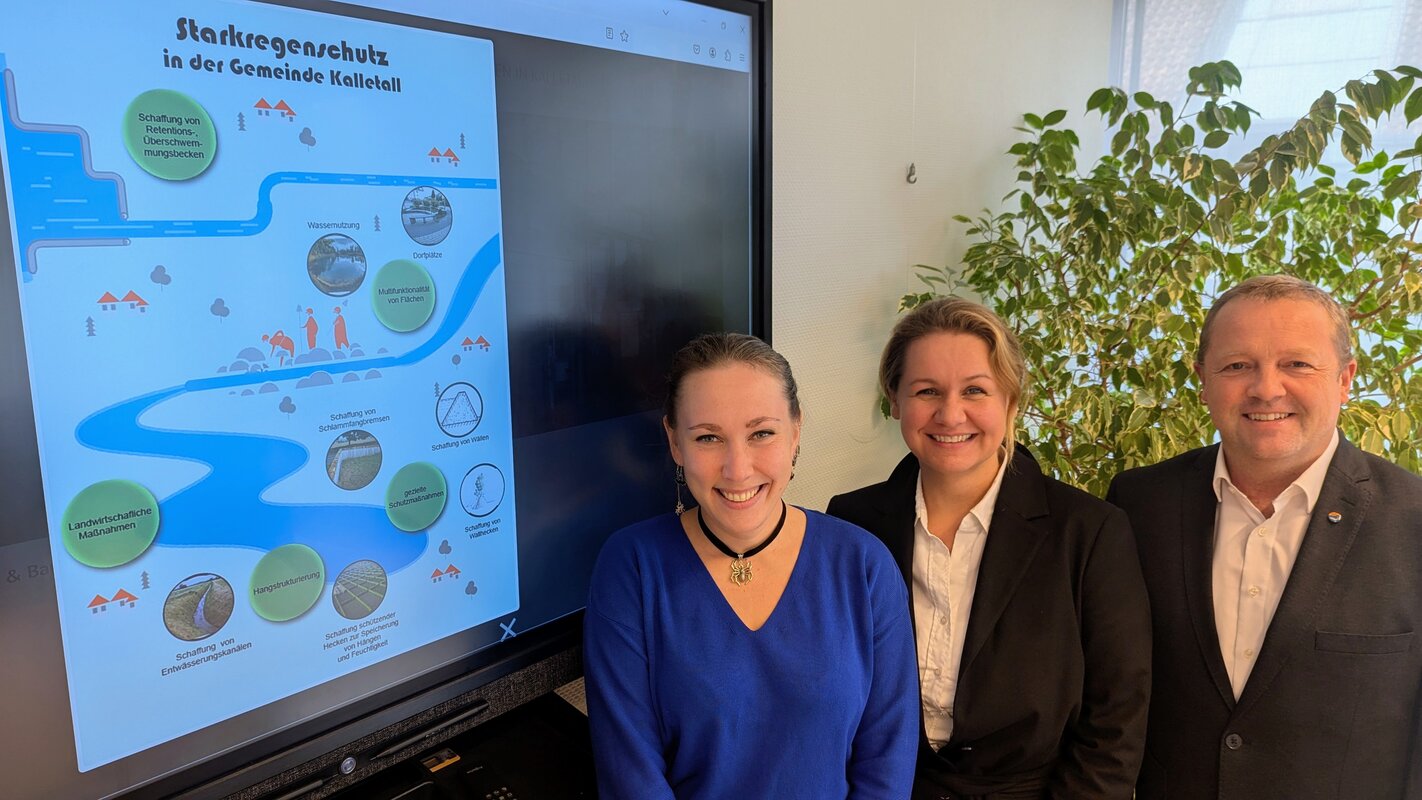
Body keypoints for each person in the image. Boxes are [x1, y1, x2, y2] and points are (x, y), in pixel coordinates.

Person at [1106, 274, 1422, 799]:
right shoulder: (1139, 505)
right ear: (1202, 380)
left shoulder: (1413, 520)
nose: (1266, 389)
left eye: (1296, 364)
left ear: (1345, 379)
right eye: (1237, 366)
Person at [828, 297, 1151, 799]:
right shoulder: (852, 523)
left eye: (975, 390)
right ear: (894, 400)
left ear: (1011, 401)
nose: (950, 413)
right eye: (926, 391)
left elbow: (1116, 719)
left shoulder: (1089, 531)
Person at [583, 332, 919, 799]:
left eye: (761, 433)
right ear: (675, 442)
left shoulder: (864, 565)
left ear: (795, 432)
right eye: (708, 438)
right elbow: (630, 775)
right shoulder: (631, 568)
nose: (737, 469)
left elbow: (887, 763)